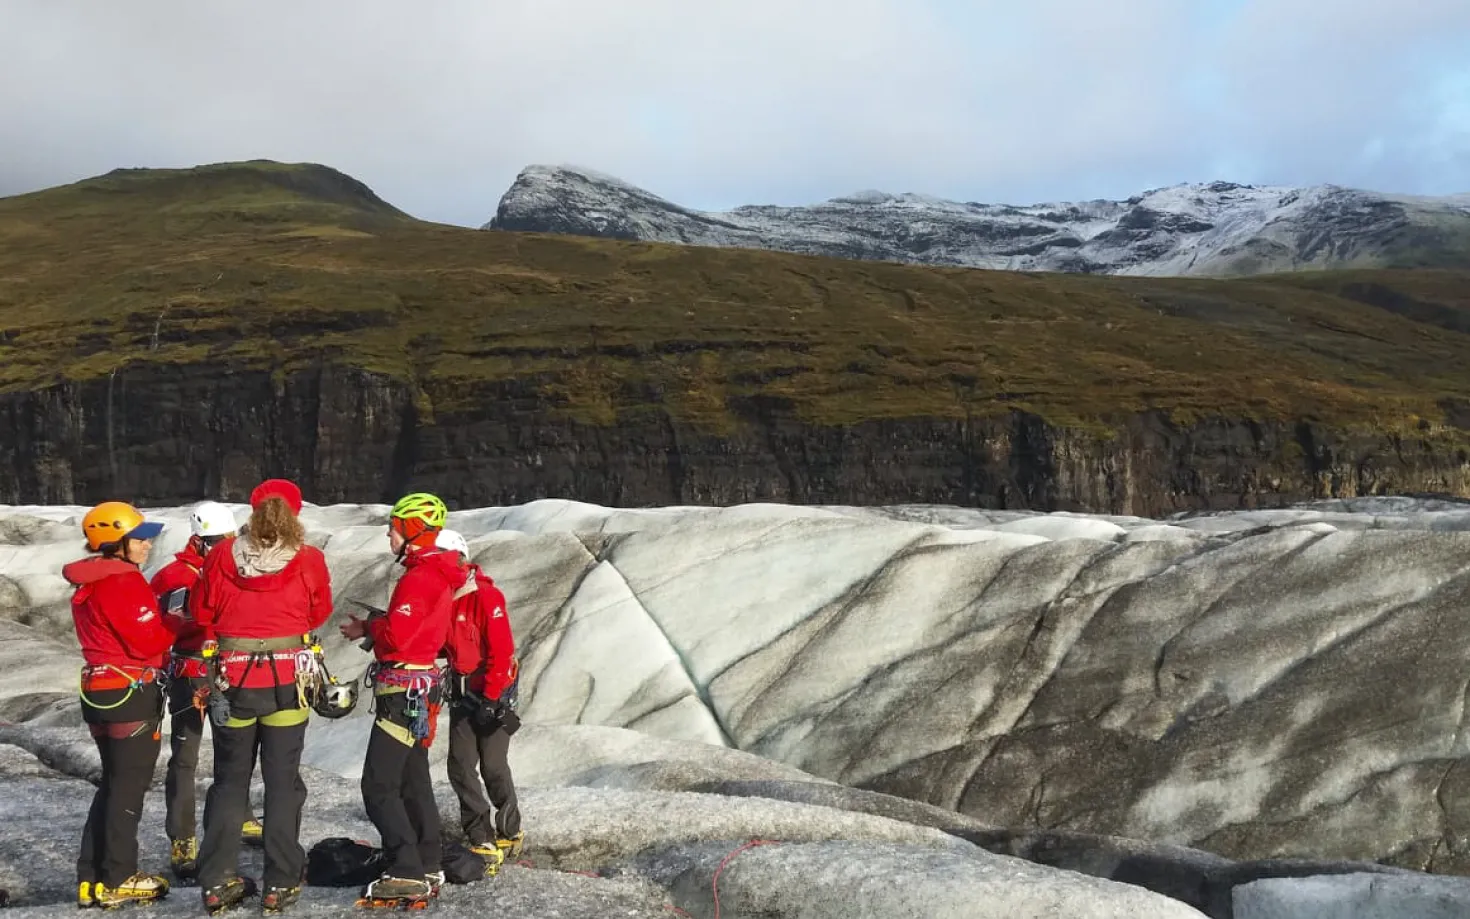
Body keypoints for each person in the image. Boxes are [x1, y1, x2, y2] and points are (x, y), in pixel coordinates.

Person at [192, 479, 333, 915]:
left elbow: (201, 612)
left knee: (230, 781)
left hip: (232, 683)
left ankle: (217, 879)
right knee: (283, 782)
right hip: (288, 682)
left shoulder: (220, 557)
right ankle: (281, 880)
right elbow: (319, 610)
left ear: (251, 514)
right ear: (294, 514)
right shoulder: (308, 559)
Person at [340, 493, 465, 905]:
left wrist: (374, 626)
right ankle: (427, 861)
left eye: (394, 527)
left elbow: (397, 636)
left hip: (403, 691)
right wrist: (377, 626)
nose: (389, 534)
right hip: (420, 689)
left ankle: (406, 869)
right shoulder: (438, 572)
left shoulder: (419, 577)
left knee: (378, 785)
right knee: (413, 781)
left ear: (412, 530)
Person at [63, 501, 174, 909]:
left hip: (99, 691)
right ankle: (119, 877)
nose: (147, 545)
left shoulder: (90, 580)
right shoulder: (122, 581)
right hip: (131, 692)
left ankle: (91, 877)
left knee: (112, 783)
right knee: (128, 786)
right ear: (117, 543)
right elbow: (148, 641)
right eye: (139, 538)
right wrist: (176, 624)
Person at [148, 501, 263, 881]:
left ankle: (241, 816)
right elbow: (168, 625)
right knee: (185, 755)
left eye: (229, 539)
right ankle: (182, 837)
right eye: (219, 540)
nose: (227, 545)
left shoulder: (234, 569)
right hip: (191, 672)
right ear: (200, 541)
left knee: (235, 748)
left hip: (228, 668)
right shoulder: (174, 576)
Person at [435, 528, 524, 873]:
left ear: (458, 559)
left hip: (492, 691)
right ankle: (480, 835)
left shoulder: (486, 597)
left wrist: (491, 698)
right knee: (460, 765)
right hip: (462, 693)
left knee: (493, 765)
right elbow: (445, 646)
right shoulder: (444, 598)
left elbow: (502, 650)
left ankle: (510, 829)